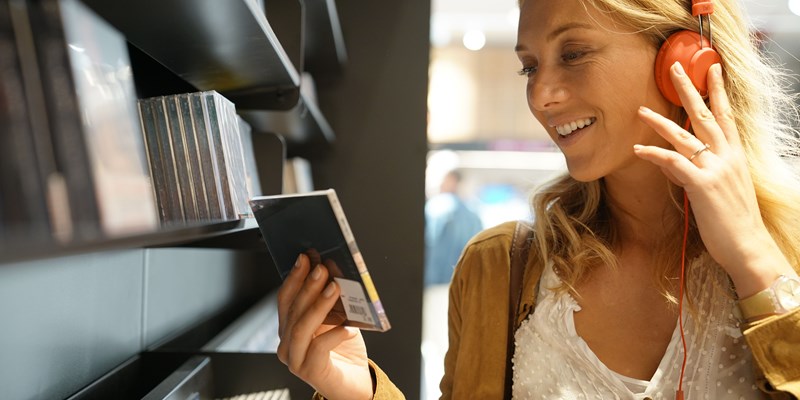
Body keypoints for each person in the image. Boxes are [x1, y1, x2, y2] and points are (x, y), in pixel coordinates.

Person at [275, 0, 800, 398]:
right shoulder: (499, 267)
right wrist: (356, 390)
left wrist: (754, 259)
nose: (541, 94)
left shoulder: (785, 251)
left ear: (684, 57)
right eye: (530, 66)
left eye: (573, 53)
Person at [424, 170, 484, 287]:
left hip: (435, 283)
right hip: (461, 287)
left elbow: (429, 244)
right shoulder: (473, 214)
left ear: (450, 180)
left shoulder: (437, 207)